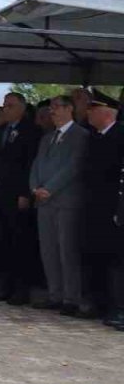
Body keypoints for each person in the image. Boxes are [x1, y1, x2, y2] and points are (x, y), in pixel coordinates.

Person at [29, 95, 89, 316]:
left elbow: (73, 166)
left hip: (66, 201)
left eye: (56, 108)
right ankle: (55, 294)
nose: (52, 112)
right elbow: (36, 164)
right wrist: (35, 186)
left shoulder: (80, 135)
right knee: (49, 250)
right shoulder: (48, 137)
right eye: (51, 108)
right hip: (44, 202)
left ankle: (71, 297)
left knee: (67, 251)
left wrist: (50, 188)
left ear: (68, 109)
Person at [0, 92, 41, 305]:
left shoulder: (31, 131)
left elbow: (30, 164)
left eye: (10, 105)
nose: (5, 109)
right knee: (2, 240)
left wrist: (25, 192)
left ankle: (21, 288)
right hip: (0, 193)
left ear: (22, 108)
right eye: (4, 105)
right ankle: (6, 284)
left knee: (20, 241)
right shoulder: (2, 130)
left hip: (18, 194)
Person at [84, 89, 123, 324]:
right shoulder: (96, 136)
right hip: (97, 208)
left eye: (92, 110)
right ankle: (105, 304)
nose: (88, 115)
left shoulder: (119, 134)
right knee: (101, 257)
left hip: (115, 208)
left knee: (117, 260)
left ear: (106, 113)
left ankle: (118, 307)